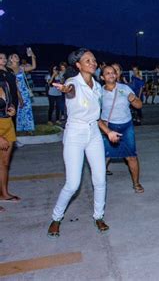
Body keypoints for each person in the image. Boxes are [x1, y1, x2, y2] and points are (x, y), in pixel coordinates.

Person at [47, 48, 120, 238]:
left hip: (94, 133)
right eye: (88, 61)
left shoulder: (96, 86)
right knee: (72, 184)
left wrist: (109, 132)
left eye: (94, 60)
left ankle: (99, 216)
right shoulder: (73, 82)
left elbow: (96, 118)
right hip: (75, 133)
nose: (93, 63)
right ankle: (56, 218)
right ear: (78, 65)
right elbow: (70, 92)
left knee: (100, 179)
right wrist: (65, 90)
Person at [99, 66, 144, 193]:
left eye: (113, 73)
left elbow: (139, 105)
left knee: (131, 156)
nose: (111, 75)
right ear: (102, 77)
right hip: (108, 127)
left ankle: (136, 183)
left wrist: (134, 99)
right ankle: (99, 186)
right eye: (107, 73)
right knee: (103, 157)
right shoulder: (99, 92)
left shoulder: (124, 88)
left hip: (126, 126)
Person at [0, 53, 19, 211]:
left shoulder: (5, 81)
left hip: (8, 123)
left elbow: (8, 100)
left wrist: (11, 109)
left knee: (5, 163)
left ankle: (4, 194)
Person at [7, 50, 36, 134]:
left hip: (24, 91)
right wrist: (19, 97)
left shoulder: (21, 68)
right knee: (16, 110)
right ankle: (15, 129)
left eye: (17, 56)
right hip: (14, 92)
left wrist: (32, 56)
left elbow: (33, 67)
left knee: (27, 110)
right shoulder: (9, 69)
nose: (17, 57)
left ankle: (27, 129)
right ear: (11, 59)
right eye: (15, 56)